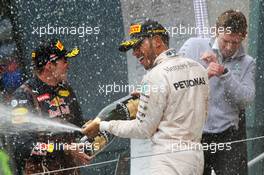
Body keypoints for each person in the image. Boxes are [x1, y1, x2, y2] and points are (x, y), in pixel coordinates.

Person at [81, 19, 209, 175]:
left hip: (168, 162)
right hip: (196, 158)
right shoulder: (198, 68)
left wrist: (102, 125)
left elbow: (143, 129)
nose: (134, 53)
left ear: (156, 41)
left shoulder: (154, 77)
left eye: (138, 45)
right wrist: (151, 97)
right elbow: (185, 103)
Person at [178, 9, 255, 175]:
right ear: (216, 31)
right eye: (225, 41)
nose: (229, 47)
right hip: (195, 134)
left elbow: (246, 100)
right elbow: (174, 82)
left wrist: (224, 73)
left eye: (235, 43)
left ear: (244, 36)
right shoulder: (193, 45)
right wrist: (203, 75)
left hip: (229, 137)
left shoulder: (248, 63)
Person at [9, 39, 90, 174]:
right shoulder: (23, 96)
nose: (67, 65)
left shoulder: (66, 90)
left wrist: (97, 126)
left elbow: (78, 126)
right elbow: (22, 147)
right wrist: (62, 148)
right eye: (64, 61)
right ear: (49, 66)